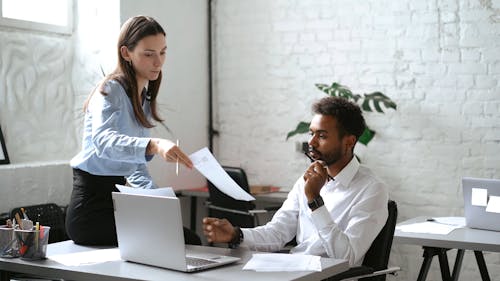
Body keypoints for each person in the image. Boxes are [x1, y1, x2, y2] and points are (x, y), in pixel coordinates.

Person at [203, 96, 389, 266]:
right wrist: (236, 235)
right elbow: (277, 232)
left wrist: (315, 200)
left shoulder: (372, 189)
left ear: (349, 142)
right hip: (296, 270)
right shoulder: (307, 179)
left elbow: (347, 257)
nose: (312, 143)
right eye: (311, 134)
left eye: (322, 136)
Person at [66, 15, 194, 246]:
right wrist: (153, 145)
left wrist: (161, 201)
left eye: (163, 52)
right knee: (177, 238)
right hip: (90, 212)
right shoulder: (110, 89)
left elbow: (134, 167)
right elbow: (103, 142)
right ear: (126, 53)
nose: (158, 62)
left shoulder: (142, 97)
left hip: (116, 202)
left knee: (185, 235)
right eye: (149, 54)